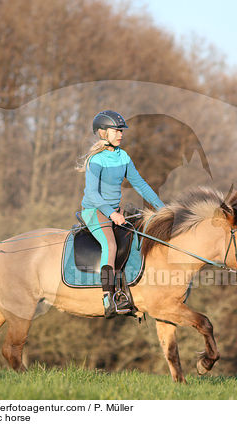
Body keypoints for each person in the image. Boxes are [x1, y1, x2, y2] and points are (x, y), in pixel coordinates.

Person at [77, 110, 165, 318]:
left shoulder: (123, 156)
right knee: (111, 245)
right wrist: (111, 214)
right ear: (102, 133)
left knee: (136, 240)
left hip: (114, 212)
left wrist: (163, 208)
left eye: (121, 131)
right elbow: (91, 194)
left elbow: (140, 184)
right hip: (94, 211)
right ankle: (109, 299)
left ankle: (131, 291)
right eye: (116, 130)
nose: (121, 134)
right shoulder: (96, 160)